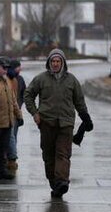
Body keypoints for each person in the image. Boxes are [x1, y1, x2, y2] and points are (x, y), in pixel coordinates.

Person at [24, 49, 93, 198]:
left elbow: (79, 101)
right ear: (49, 63)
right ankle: (54, 183)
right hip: (46, 122)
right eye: (53, 61)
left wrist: (85, 117)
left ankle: (62, 182)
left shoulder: (72, 80)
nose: (55, 64)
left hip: (66, 123)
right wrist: (35, 113)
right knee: (48, 156)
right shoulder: (41, 79)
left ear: (63, 63)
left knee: (63, 153)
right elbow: (28, 95)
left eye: (58, 61)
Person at [0, 57, 22, 180]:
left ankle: (1, 172)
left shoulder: (6, 80)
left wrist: (18, 115)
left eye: (7, 68)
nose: (6, 70)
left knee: (3, 149)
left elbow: (13, 100)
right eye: (3, 68)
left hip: (7, 121)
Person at [6, 59, 26, 172]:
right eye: (18, 67)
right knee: (11, 137)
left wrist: (20, 104)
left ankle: (11, 159)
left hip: (15, 112)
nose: (20, 69)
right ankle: (11, 159)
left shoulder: (20, 79)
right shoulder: (10, 79)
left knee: (12, 137)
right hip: (13, 112)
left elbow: (24, 93)